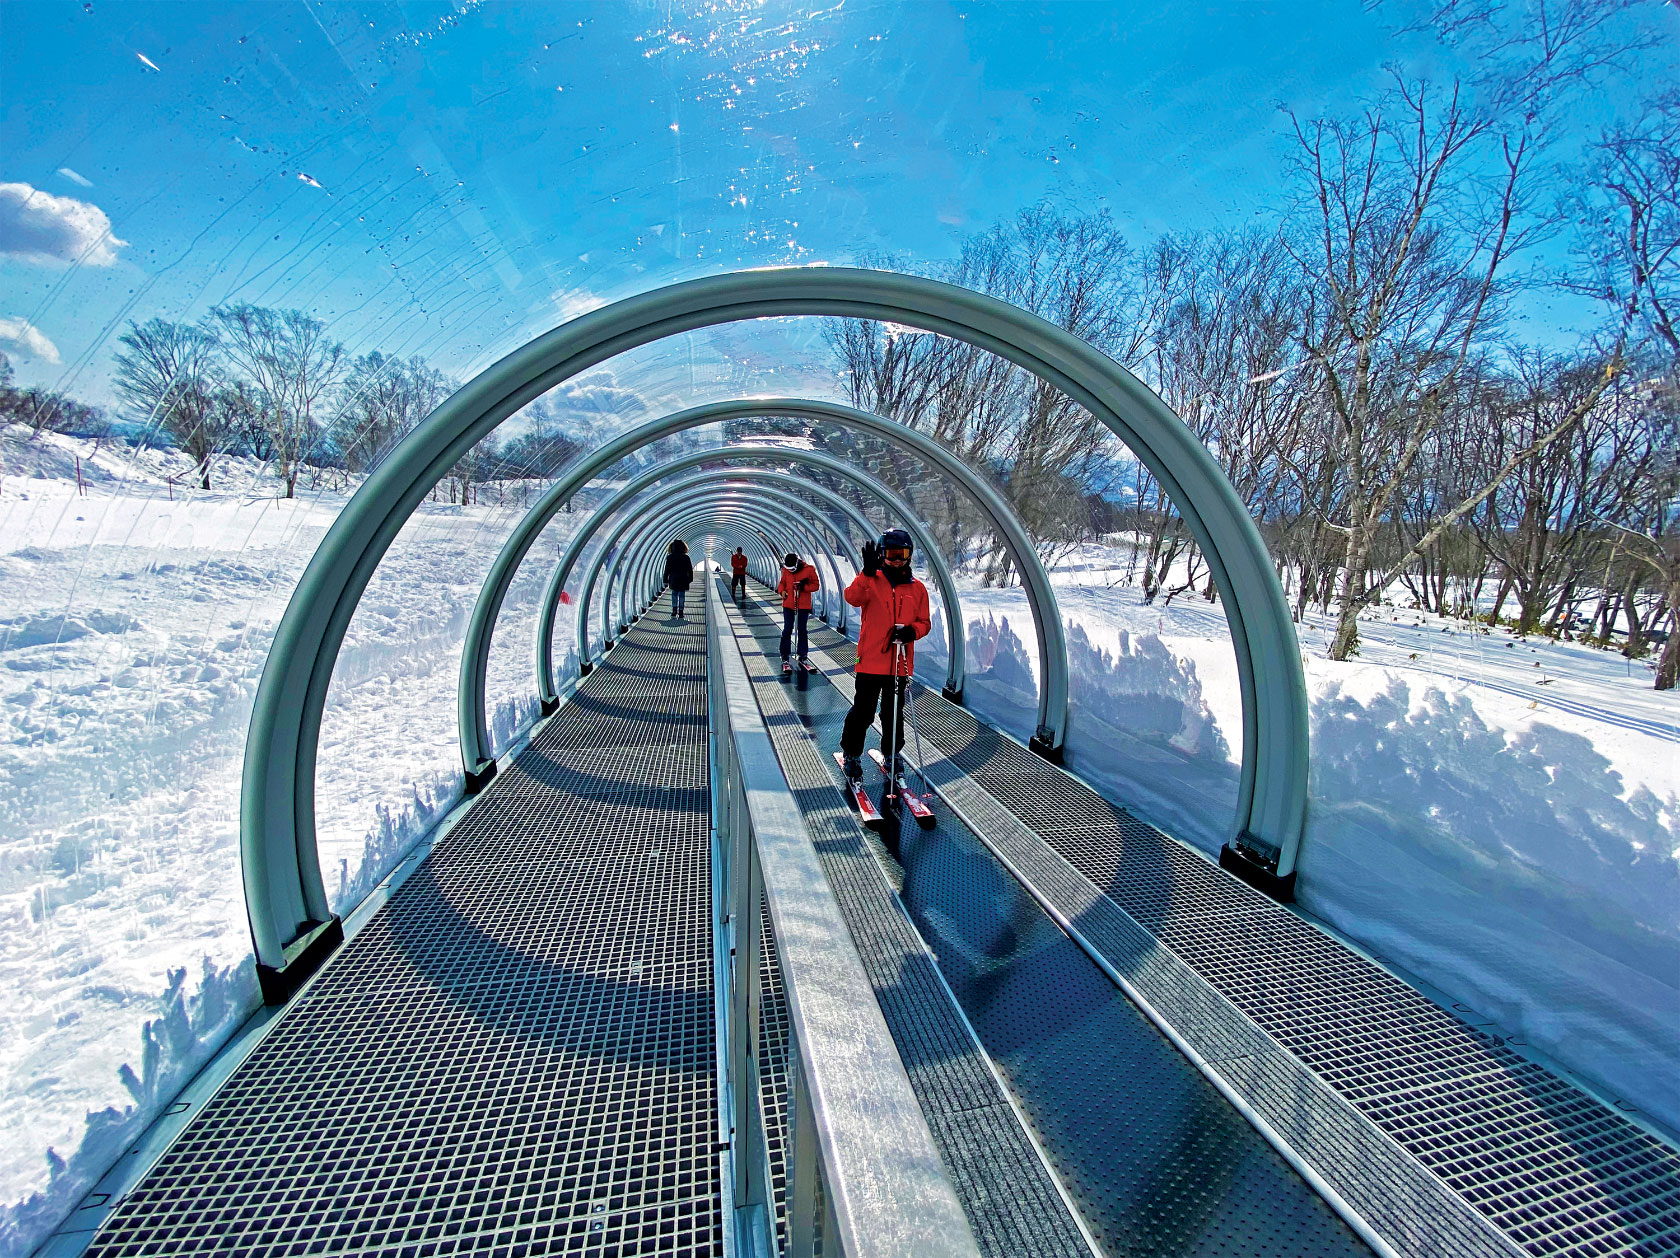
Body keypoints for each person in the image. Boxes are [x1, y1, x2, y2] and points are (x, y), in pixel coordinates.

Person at [839, 528, 930, 783]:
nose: (897, 560)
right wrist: (865, 575)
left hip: (899, 664)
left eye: (901, 554)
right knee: (864, 711)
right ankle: (852, 753)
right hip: (870, 661)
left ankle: (892, 752)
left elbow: (924, 622)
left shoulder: (918, 589)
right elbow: (852, 597)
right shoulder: (871, 581)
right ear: (881, 555)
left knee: (893, 713)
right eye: (891, 554)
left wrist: (912, 631)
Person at [777, 551, 820, 673]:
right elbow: (782, 583)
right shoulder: (786, 570)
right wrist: (782, 592)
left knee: (802, 630)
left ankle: (803, 655)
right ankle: (785, 655)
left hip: (803, 605)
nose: (789, 571)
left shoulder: (809, 570)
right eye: (788, 569)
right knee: (787, 629)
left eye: (792, 569)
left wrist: (803, 587)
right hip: (789, 604)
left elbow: (816, 585)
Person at [663, 538, 694, 618]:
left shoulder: (670, 557)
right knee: (682, 595)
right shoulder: (686, 557)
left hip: (674, 579)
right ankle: (681, 612)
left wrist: (665, 580)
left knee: (674, 594)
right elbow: (690, 570)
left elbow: (667, 570)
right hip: (683, 579)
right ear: (683, 547)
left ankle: (674, 610)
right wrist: (690, 579)